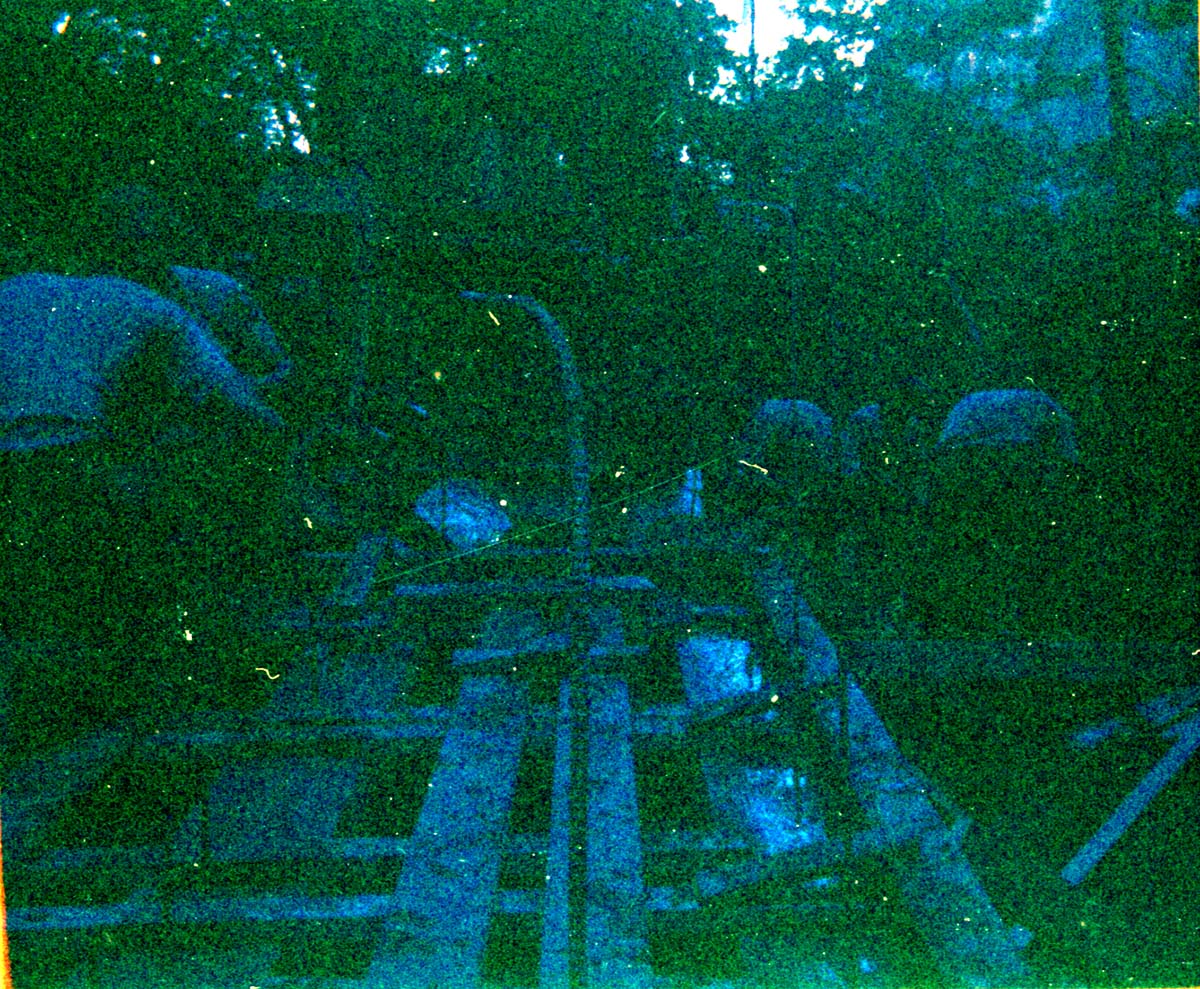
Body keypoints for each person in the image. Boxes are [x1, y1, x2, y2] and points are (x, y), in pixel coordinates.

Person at [0, 269, 287, 749]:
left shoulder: (22, 289)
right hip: (62, 446)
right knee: (141, 553)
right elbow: (250, 413)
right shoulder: (163, 311)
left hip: (41, 445)